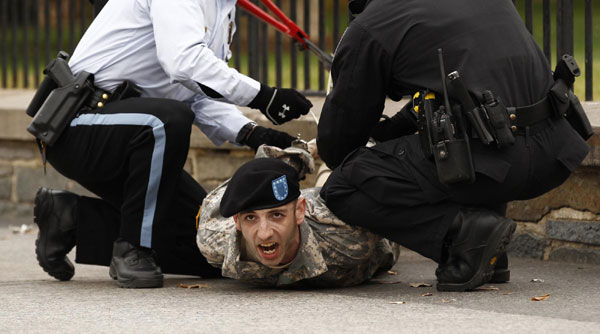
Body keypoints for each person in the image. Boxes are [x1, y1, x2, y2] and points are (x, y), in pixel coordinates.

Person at [30, 0, 313, 288]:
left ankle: (71, 219)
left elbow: (196, 91)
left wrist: (251, 132)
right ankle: (132, 248)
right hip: (78, 126)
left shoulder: (222, 9)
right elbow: (183, 63)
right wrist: (263, 96)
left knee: (210, 248)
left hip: (137, 135)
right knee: (168, 120)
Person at [316, 0, 590, 291]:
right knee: (458, 141)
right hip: (555, 154)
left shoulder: (372, 26)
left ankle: (465, 239)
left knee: (343, 185)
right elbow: (461, 94)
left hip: (494, 163)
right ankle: (490, 252)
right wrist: (388, 133)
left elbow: (338, 147)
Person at [197, 152, 399, 287]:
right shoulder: (214, 241)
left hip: (333, 217)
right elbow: (248, 180)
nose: (265, 232)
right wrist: (295, 155)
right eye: (250, 218)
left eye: (276, 215)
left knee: (335, 176)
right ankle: (301, 153)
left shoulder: (349, 236)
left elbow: (388, 200)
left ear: (299, 211)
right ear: (237, 221)